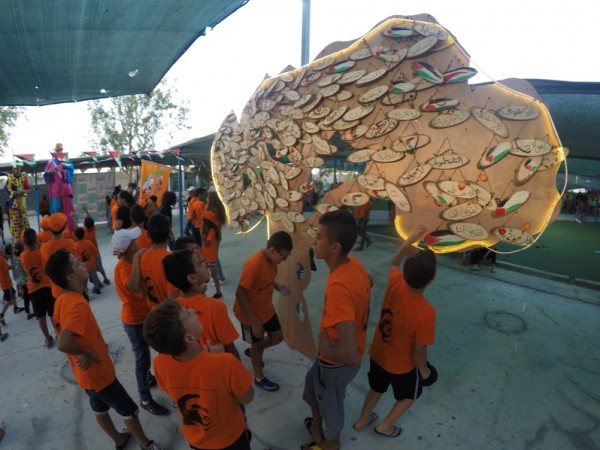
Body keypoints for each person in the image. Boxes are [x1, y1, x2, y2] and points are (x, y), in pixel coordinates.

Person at [46, 249, 167, 450]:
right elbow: (62, 342)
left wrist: (80, 351)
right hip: (98, 374)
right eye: (77, 263)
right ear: (70, 277)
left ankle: (119, 440)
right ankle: (146, 444)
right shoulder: (77, 305)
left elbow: (61, 333)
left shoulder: (61, 300)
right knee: (129, 410)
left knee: (99, 409)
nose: (83, 263)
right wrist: (86, 353)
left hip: (84, 375)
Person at [353, 225, 438, 438]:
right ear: (431, 281)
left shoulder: (396, 282)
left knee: (376, 388)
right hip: (401, 366)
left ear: (406, 272)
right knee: (410, 395)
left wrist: (408, 240)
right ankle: (385, 426)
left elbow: (393, 263)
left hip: (378, 354)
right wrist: (424, 372)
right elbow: (419, 352)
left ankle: (361, 421)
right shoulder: (427, 313)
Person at [302, 210, 371, 450]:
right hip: (330, 360)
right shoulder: (354, 264)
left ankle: (331, 443)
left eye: (319, 237)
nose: (314, 241)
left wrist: (328, 351)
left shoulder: (339, 287)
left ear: (335, 247)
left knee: (331, 406)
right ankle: (317, 429)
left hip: (334, 364)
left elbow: (348, 353)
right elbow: (369, 283)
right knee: (312, 386)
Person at [143, 300, 254, 450]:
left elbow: (175, 394)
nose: (192, 311)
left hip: (197, 441)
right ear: (189, 338)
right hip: (230, 438)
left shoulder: (159, 364)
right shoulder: (225, 362)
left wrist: (209, 361)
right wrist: (216, 359)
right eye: (188, 314)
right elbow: (247, 398)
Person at [112, 227, 169, 416]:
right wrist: (137, 259)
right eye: (134, 241)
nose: (138, 243)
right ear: (129, 248)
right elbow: (134, 285)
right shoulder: (123, 267)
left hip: (145, 315)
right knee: (142, 359)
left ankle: (149, 379)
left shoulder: (131, 262)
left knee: (155, 352)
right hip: (134, 321)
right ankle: (145, 399)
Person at [233, 230, 292, 392]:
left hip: (266, 309)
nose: (284, 260)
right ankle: (259, 377)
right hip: (249, 315)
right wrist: (254, 322)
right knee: (257, 344)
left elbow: (268, 279)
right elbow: (240, 292)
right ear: (272, 250)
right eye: (283, 256)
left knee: (277, 337)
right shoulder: (253, 264)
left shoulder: (272, 260)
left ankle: (254, 351)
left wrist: (279, 287)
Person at [163, 249, 240, 360]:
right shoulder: (215, 307)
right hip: (216, 364)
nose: (205, 264)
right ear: (192, 278)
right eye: (200, 264)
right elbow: (229, 346)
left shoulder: (173, 309)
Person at [21, 228, 55, 348]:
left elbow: (25, 269)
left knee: (41, 316)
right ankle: (59, 333)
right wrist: (39, 244)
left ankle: (48, 339)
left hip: (34, 289)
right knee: (52, 314)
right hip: (47, 285)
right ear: (36, 239)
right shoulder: (41, 251)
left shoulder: (23, 256)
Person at [139, 214, 178, 306]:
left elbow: (142, 294)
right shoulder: (171, 260)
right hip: (168, 311)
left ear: (148, 235)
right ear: (169, 233)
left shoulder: (142, 257)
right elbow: (174, 298)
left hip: (153, 310)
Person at [40, 212, 76, 301]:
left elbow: (46, 269)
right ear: (64, 227)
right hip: (72, 285)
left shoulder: (44, 247)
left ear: (49, 228)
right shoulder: (70, 243)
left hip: (56, 289)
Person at [81, 209, 110, 285]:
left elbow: (77, 229)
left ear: (86, 226)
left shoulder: (84, 233)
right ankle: (105, 279)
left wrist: (73, 218)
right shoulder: (93, 230)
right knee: (100, 268)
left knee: (92, 270)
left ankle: (98, 283)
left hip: (90, 255)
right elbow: (90, 218)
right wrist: (86, 211)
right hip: (96, 253)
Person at [0, 244, 25, 326]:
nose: (2, 250)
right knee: (8, 300)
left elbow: (7, 256)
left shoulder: (1, 257)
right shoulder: (1, 259)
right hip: (5, 281)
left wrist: (12, 255)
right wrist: (15, 265)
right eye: (1, 249)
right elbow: (7, 267)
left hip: (3, 281)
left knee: (13, 293)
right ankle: (1, 315)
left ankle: (15, 308)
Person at [205, 191, 227, 283]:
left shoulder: (211, 210)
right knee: (214, 257)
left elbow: (205, 217)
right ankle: (218, 276)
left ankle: (221, 277)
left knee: (214, 257)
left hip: (212, 235)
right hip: (217, 234)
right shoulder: (219, 208)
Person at [5, 164, 31, 242]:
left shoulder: (24, 176)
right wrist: (12, 193)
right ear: (13, 170)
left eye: (18, 168)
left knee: (25, 223)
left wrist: (24, 191)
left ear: (20, 168)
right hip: (13, 205)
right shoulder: (10, 178)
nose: (16, 170)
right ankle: (16, 243)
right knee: (15, 225)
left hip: (22, 204)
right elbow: (7, 189)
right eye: (15, 169)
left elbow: (27, 187)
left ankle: (27, 241)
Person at [73, 227, 102, 295]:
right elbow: (94, 251)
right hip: (91, 265)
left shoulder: (75, 246)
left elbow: (75, 257)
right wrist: (95, 258)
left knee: (84, 282)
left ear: (75, 236)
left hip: (83, 267)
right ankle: (97, 289)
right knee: (94, 278)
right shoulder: (88, 242)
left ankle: (86, 294)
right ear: (84, 234)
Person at [202, 211, 223, 299]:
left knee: (213, 275)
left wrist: (201, 235)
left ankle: (218, 292)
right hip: (206, 255)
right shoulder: (208, 230)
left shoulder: (211, 231)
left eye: (203, 220)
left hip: (210, 256)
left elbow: (206, 243)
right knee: (207, 273)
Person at [12, 241, 35, 320]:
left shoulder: (16, 259)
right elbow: (26, 269)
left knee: (26, 297)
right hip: (27, 280)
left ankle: (28, 312)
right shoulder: (21, 259)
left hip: (23, 281)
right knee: (32, 296)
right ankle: (35, 311)